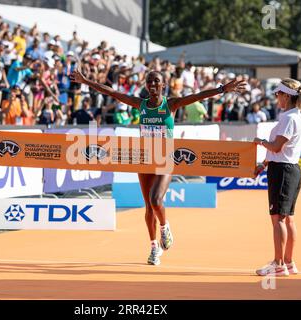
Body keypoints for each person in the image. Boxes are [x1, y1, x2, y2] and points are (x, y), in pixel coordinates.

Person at [71, 68, 246, 265]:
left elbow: (198, 96)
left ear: (163, 85)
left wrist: (223, 89)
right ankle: (154, 247)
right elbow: (111, 92)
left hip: (165, 159)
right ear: (146, 86)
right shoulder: (141, 104)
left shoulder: (171, 104)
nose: (153, 85)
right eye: (149, 82)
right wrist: (85, 81)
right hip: (145, 159)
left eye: (156, 81)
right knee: (148, 207)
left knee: (156, 200)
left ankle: (164, 227)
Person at [253, 78, 301, 277]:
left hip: (283, 171)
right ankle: (288, 262)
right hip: (289, 169)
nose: (276, 97)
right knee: (288, 219)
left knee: (278, 219)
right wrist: (263, 164)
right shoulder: (293, 116)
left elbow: (276, 147)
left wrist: (260, 142)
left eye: (278, 94)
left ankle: (279, 264)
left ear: (286, 96)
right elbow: (279, 150)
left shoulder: (289, 118)